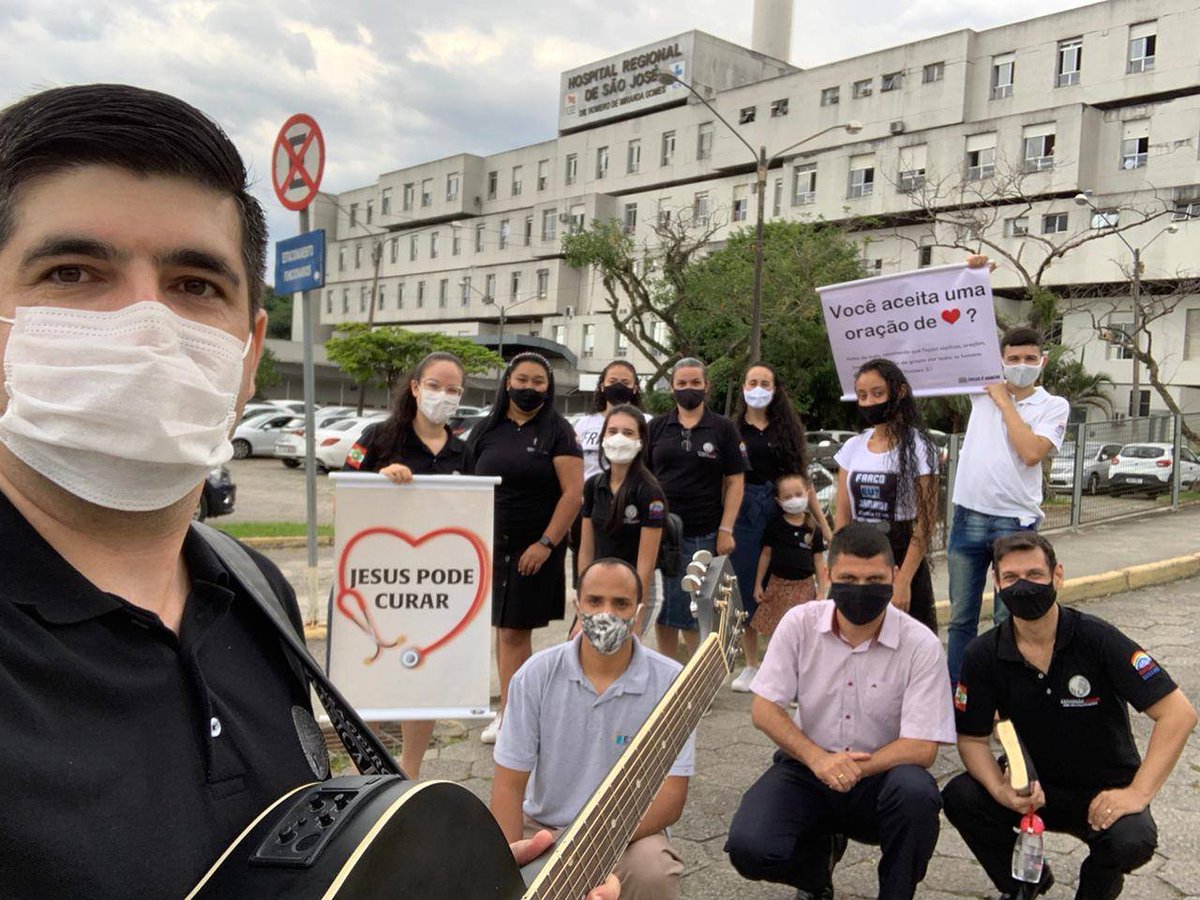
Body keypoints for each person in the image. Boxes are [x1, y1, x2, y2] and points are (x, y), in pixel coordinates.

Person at [0, 84, 617, 900]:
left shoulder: (254, 590)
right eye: (72, 272)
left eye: (195, 286)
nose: (146, 327)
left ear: (251, 350)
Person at [943, 532, 1197, 900]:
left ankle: (1096, 886)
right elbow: (971, 738)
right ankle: (1024, 883)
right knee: (960, 796)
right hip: (1032, 791)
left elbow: (1178, 714)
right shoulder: (984, 654)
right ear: (996, 584)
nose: (1024, 586)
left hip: (1102, 792)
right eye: (1011, 578)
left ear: (1057, 576)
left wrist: (1137, 793)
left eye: (1035, 574)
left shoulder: (1097, 639)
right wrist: (1000, 789)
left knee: (1133, 840)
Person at [725, 523, 956, 900]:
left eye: (875, 579)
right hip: (808, 767)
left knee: (917, 796)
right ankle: (816, 875)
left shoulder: (921, 645)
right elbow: (765, 709)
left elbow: (922, 747)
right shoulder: (799, 625)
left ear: (894, 576)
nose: (861, 588)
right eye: (848, 577)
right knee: (749, 847)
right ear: (828, 574)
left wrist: (855, 768)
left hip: (881, 777)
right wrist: (818, 760)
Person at [491, 558, 693, 900]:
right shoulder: (535, 675)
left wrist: (588, 845)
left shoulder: (672, 682)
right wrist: (506, 870)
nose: (606, 613)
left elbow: (671, 798)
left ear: (638, 613)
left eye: (621, 604)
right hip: (544, 828)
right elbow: (509, 785)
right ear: (577, 606)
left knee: (654, 872)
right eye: (595, 601)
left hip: (628, 833)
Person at [343, 350, 471, 778]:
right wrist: (379, 482)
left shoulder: (462, 452)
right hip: (378, 579)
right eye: (434, 385)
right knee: (373, 674)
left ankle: (410, 773)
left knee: (424, 675)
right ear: (415, 387)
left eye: (453, 390)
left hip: (437, 584)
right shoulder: (379, 436)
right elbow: (345, 487)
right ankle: (367, 774)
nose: (443, 396)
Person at [946, 317, 1072, 685]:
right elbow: (956, 335)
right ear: (999, 360)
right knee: (961, 619)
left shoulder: (1053, 406)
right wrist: (973, 277)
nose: (1021, 366)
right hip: (968, 515)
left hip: (1015, 522)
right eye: (1013, 358)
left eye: (1029, 358)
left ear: (1042, 361)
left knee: (1011, 618)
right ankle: (960, 697)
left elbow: (1031, 452)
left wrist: (1004, 403)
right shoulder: (980, 389)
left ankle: (1010, 700)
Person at [468, 352, 584, 744]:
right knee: (503, 631)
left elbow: (573, 495)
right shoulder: (486, 429)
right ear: (507, 383)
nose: (529, 388)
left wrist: (546, 543)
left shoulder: (559, 432)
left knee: (513, 633)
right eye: (522, 379)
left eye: (538, 382)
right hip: (488, 548)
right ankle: (518, 710)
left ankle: (512, 716)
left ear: (548, 389)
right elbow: (465, 485)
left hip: (534, 550)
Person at [730, 362, 831, 692]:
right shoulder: (732, 430)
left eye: (765, 382)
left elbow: (803, 482)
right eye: (752, 381)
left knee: (783, 585)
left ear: (775, 390)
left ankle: (784, 664)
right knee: (747, 587)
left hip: (781, 513)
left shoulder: (785, 430)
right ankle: (750, 663)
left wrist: (826, 529)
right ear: (743, 386)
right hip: (744, 514)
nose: (758, 388)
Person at [647, 358, 748, 659]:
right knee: (664, 609)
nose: (688, 389)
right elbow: (643, 478)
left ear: (706, 386)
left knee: (695, 610)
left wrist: (726, 529)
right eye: (682, 383)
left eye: (695, 383)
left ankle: (696, 680)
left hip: (703, 533)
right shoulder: (656, 427)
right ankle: (666, 675)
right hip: (661, 534)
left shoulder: (723, 428)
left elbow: (735, 482)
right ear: (672, 388)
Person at [834, 358, 940, 633]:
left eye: (878, 393)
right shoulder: (852, 447)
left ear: (900, 392)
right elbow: (842, 516)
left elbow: (926, 521)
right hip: (857, 552)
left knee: (908, 639)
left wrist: (903, 580)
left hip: (902, 552)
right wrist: (837, 566)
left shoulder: (919, 447)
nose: (869, 402)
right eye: (862, 395)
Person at [578, 404, 667, 628]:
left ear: (640, 442)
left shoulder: (650, 492)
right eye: (613, 431)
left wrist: (637, 611)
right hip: (597, 587)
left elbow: (645, 565)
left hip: (631, 591)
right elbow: (586, 550)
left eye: (628, 433)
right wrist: (583, 600)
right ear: (603, 437)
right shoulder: (593, 486)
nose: (619, 438)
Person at [571, 360, 648, 587]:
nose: (618, 386)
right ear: (602, 385)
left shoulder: (647, 422)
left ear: (635, 387)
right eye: (612, 381)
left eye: (625, 382)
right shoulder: (583, 424)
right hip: (589, 509)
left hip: (631, 511)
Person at [751, 472, 830, 640]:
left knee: (804, 632)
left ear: (807, 494)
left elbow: (818, 561)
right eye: (787, 497)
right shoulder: (775, 525)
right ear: (778, 501)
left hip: (805, 588)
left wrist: (821, 591)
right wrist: (758, 584)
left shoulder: (813, 528)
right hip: (778, 586)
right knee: (778, 632)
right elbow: (766, 555)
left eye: (798, 494)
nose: (794, 499)